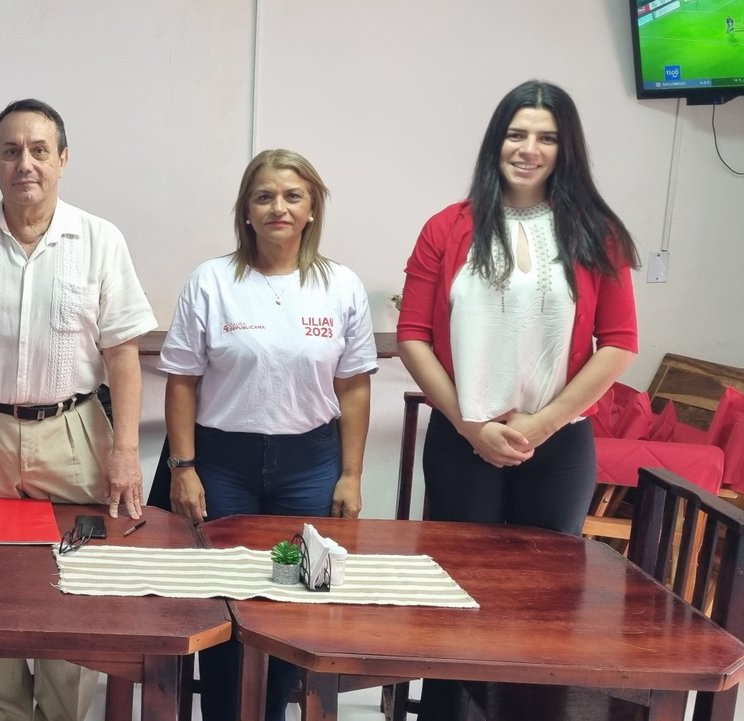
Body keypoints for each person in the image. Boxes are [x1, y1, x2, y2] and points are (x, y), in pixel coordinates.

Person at [397, 79, 639, 720]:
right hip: (462, 440)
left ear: (566, 148)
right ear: (495, 141)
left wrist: (543, 423)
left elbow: (619, 343)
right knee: (452, 596)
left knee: (547, 608)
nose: (529, 149)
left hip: (558, 445)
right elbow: (412, 336)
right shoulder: (447, 227)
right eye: (516, 133)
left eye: (546, 137)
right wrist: (470, 425)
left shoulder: (597, 233)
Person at [0, 98, 155, 721]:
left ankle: (62, 713)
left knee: (78, 579)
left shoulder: (100, 240)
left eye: (40, 150)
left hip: (75, 430)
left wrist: (126, 451)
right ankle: (3, 713)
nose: (26, 163)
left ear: (63, 160)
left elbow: (123, 355)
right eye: (12, 151)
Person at [158, 148, 376, 721]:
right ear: (246, 211)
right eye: (264, 196)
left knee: (294, 605)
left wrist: (351, 475)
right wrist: (184, 468)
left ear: (312, 209)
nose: (279, 207)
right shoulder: (212, 281)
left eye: (292, 196)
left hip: (310, 466)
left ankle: (274, 711)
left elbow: (354, 387)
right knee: (224, 604)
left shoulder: (341, 285)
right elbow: (181, 382)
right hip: (222, 465)